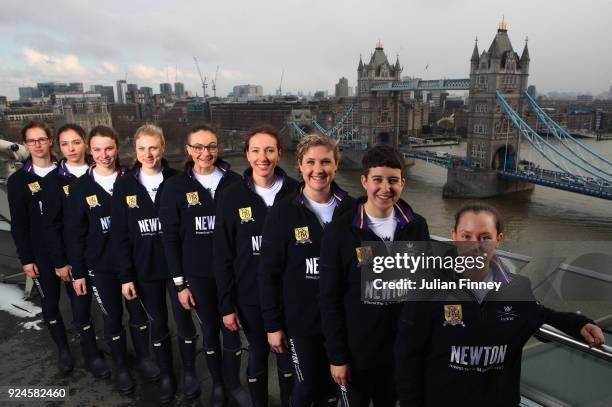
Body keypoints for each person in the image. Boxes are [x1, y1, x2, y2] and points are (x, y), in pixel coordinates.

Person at [394, 202, 606, 407]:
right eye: (466, 236)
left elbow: (539, 314)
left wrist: (579, 325)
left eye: (485, 237)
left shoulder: (517, 287)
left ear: (499, 240)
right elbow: (407, 356)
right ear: (454, 236)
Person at [319, 145, 430, 407]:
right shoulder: (340, 230)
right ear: (364, 181)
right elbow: (329, 298)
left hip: (399, 353)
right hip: (357, 353)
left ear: (403, 183)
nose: (385, 188)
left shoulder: (416, 226)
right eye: (377, 179)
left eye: (393, 180)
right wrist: (337, 357)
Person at [259, 133, 355, 407]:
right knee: (305, 387)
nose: (318, 170)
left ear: (336, 165)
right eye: (310, 162)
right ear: (299, 166)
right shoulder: (283, 212)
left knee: (333, 388)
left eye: (326, 161)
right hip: (301, 323)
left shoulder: (352, 210)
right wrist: (273, 325)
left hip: (342, 322)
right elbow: (268, 272)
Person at [160, 123, 250, 406]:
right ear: (188, 150)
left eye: (210, 146)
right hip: (198, 275)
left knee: (233, 329)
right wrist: (180, 284)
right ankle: (219, 385)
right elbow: (170, 239)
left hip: (233, 273)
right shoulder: (173, 188)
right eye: (198, 147)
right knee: (210, 331)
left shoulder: (236, 182)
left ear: (217, 147)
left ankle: (234, 383)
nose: (205, 152)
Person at [65, 125, 159, 395]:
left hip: (132, 264)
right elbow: (74, 235)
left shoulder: (132, 179)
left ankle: (143, 357)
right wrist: (79, 272)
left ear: (117, 148)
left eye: (109, 148)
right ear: (89, 150)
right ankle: (120, 366)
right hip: (101, 267)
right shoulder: (80, 188)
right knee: (113, 318)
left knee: (138, 315)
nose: (104, 155)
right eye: (97, 149)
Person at [214, 125, 298, 406]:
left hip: (290, 296)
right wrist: (226, 305)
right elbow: (223, 255)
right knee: (258, 353)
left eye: (270, 150)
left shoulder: (297, 193)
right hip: (249, 295)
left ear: (279, 154)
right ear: (247, 155)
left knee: (288, 356)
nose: (263, 157)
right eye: (256, 150)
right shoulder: (230, 196)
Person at [111, 125, 179, 403]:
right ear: (134, 151)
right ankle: (166, 375)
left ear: (162, 147)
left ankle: (188, 374)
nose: (148, 154)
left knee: (185, 326)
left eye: (153, 147)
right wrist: (126, 277)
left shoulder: (177, 180)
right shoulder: (124, 184)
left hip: (177, 271)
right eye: (142, 148)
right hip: (145, 270)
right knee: (158, 324)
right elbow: (120, 235)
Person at [41, 123, 110, 379]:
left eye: (76, 142)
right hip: (74, 257)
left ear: (86, 143)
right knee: (81, 308)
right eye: (65, 144)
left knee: (110, 305)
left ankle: (113, 344)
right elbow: (52, 225)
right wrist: (61, 261)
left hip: (103, 254)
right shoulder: (53, 181)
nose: (71, 148)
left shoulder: (102, 172)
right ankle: (91, 353)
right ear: (59, 147)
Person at [7, 120, 73, 374]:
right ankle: (63, 350)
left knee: (81, 301)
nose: (37, 144)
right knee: (50, 304)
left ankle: (91, 344)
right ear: (25, 144)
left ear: (50, 141)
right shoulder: (19, 181)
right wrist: (26, 258)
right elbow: (19, 224)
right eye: (31, 141)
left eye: (42, 139)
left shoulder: (67, 175)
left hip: (71, 252)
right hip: (41, 255)